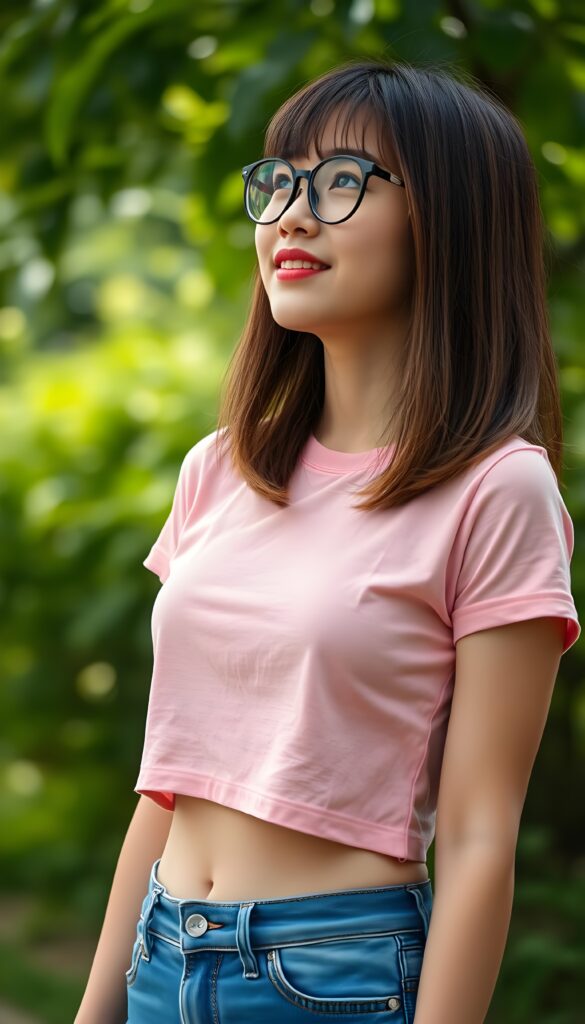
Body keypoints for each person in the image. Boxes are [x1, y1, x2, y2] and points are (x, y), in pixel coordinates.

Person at [75, 57, 581, 1024]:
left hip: (331, 975)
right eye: (280, 181)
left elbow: (479, 835)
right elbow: (169, 786)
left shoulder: (496, 490)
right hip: (159, 951)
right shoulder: (218, 468)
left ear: (452, 220)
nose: (291, 216)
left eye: (343, 181)